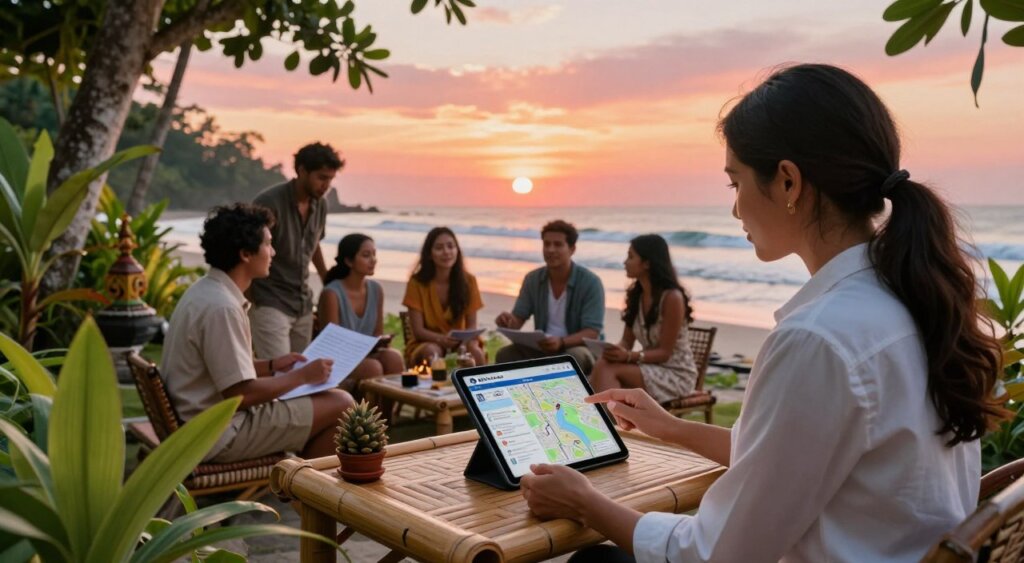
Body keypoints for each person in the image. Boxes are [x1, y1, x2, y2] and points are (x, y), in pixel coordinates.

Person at [519, 63, 1002, 562]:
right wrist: (673, 428)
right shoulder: (907, 301)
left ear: (788, 182)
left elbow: (717, 554)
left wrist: (585, 503)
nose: (735, 209)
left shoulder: (819, 339)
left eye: (736, 183)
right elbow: (796, 458)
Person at [161, 203, 355, 462]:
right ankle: (302, 482)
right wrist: (302, 376)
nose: (273, 252)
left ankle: (300, 477)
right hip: (217, 433)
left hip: (202, 421)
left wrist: (272, 365)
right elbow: (240, 394)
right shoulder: (223, 308)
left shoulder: (205, 292)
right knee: (342, 403)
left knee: (328, 402)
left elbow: (222, 369)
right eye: (268, 244)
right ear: (245, 254)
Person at [249, 142, 344, 359]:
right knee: (279, 373)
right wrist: (248, 299)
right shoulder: (269, 202)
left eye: (330, 179)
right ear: (301, 170)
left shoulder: (320, 205)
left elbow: (314, 243)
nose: (326, 185)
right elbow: (248, 250)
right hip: (269, 300)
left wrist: (327, 279)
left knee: (301, 372)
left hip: (302, 302)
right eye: (321, 177)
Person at [589, 234, 698, 402]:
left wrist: (628, 356)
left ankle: (603, 416)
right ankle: (607, 415)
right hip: (648, 367)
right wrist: (613, 351)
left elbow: (664, 353)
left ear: (647, 263)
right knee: (604, 363)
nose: (625, 262)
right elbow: (626, 342)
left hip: (675, 374)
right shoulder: (637, 296)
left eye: (630, 257)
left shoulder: (671, 297)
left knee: (607, 369)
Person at [494, 220, 605, 373]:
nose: (550, 250)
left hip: (578, 347)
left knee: (571, 358)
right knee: (506, 354)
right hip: (543, 347)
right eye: (546, 244)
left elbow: (592, 332)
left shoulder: (590, 282)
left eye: (558, 245)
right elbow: (517, 320)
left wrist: (561, 342)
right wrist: (507, 322)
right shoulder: (533, 279)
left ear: (572, 249)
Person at [317, 233, 404, 393]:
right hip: (339, 358)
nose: (373, 260)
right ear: (349, 261)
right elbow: (332, 343)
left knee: (394, 358)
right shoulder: (331, 293)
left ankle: (385, 410)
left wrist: (381, 340)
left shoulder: (376, 289)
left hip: (366, 353)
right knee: (373, 368)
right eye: (366, 255)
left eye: (374, 254)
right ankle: (366, 410)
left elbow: (376, 333)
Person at [403, 227, 486, 367]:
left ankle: (480, 382)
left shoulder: (469, 281)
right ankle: (435, 383)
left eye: (450, 246)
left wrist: (463, 342)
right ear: (429, 254)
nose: (446, 252)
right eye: (439, 248)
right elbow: (418, 331)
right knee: (432, 352)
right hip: (426, 342)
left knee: (475, 353)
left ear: (457, 251)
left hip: (461, 341)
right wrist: (441, 339)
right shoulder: (417, 283)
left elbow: (472, 326)